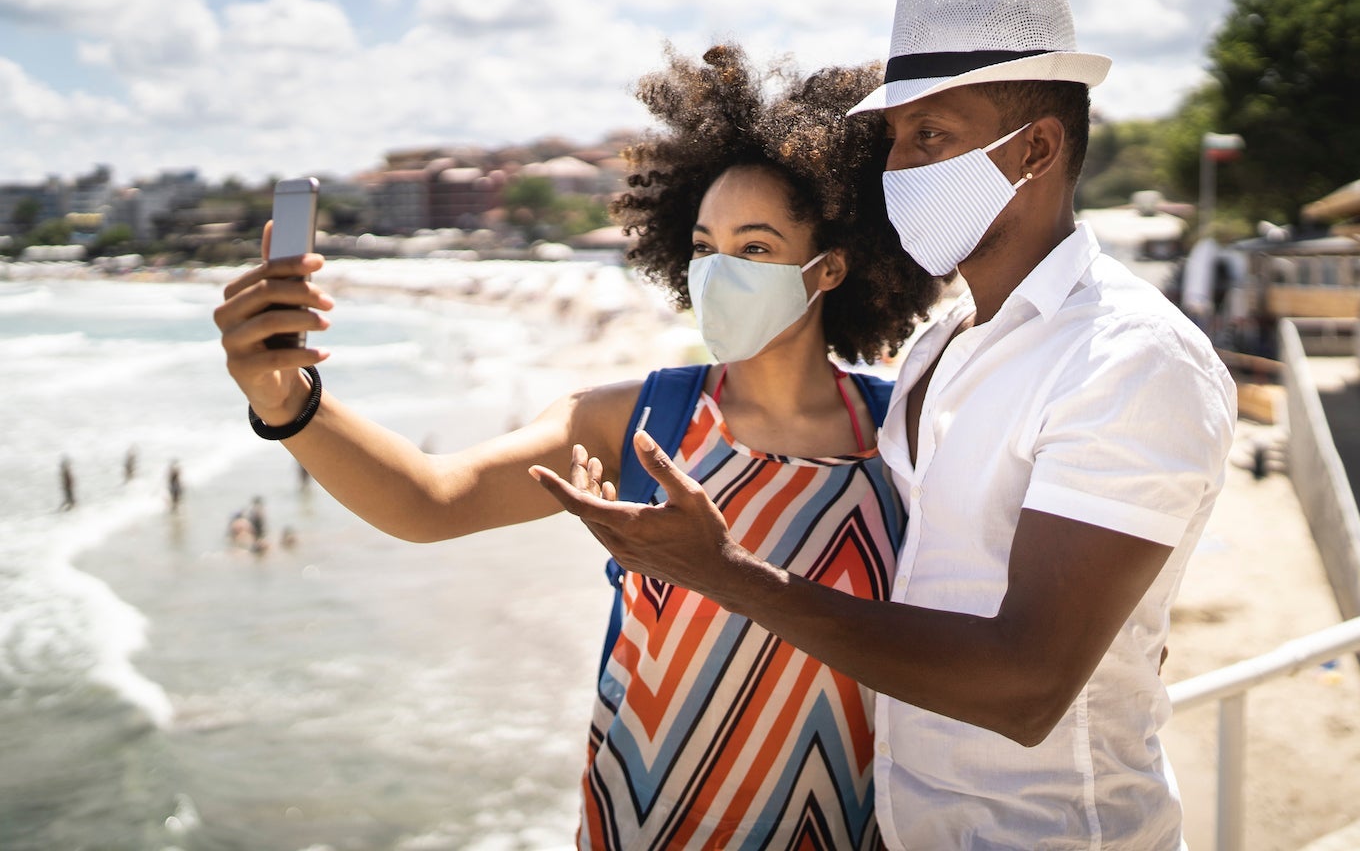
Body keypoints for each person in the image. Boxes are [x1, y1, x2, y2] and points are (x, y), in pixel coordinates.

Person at [533, 0, 1238, 849]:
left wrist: (725, 572)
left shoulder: (1130, 358)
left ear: (1038, 149)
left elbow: (1026, 687)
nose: (899, 167)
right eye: (895, 139)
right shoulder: (941, 353)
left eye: (932, 135)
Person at [211, 43, 941, 849]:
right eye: (704, 248)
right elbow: (429, 499)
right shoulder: (633, 421)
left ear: (832, 267)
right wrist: (290, 404)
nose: (719, 273)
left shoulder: (909, 434)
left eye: (757, 249)